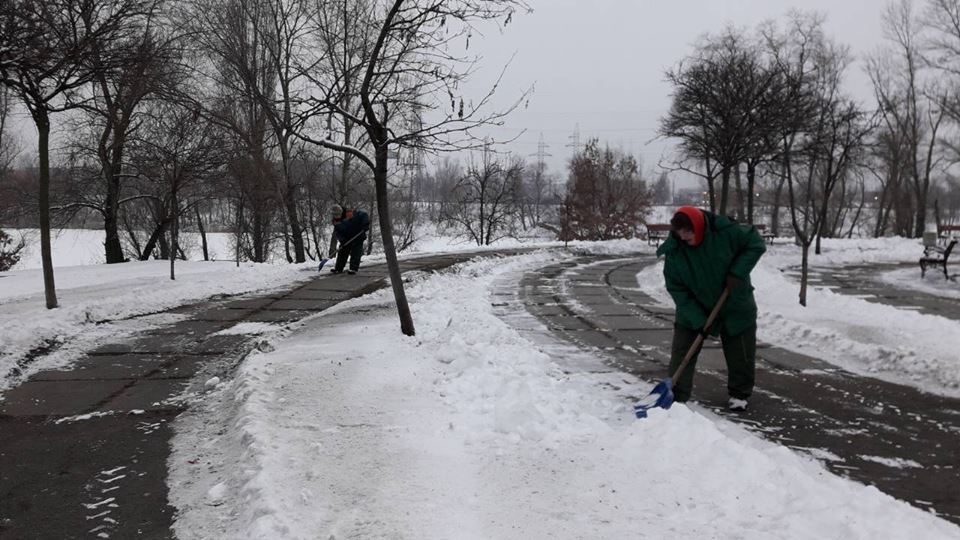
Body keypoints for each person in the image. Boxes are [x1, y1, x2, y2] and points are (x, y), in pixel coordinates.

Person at [655, 206, 766, 411]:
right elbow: (677, 289)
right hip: (694, 306)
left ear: (698, 227)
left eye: (689, 236)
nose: (685, 240)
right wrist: (699, 320)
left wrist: (737, 272)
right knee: (682, 350)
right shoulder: (675, 251)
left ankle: (739, 394)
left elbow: (755, 243)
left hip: (733, 300)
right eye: (681, 237)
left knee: (740, 351)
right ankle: (676, 395)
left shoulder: (726, 232)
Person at [330, 204, 370, 275]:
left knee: (355, 253)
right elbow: (338, 232)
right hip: (346, 238)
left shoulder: (349, 213)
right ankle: (338, 268)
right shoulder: (335, 221)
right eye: (335, 215)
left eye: (338, 214)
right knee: (342, 252)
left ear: (341, 212)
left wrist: (365, 223)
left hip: (358, 235)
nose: (337, 216)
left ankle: (353, 269)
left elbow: (363, 214)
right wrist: (342, 239)